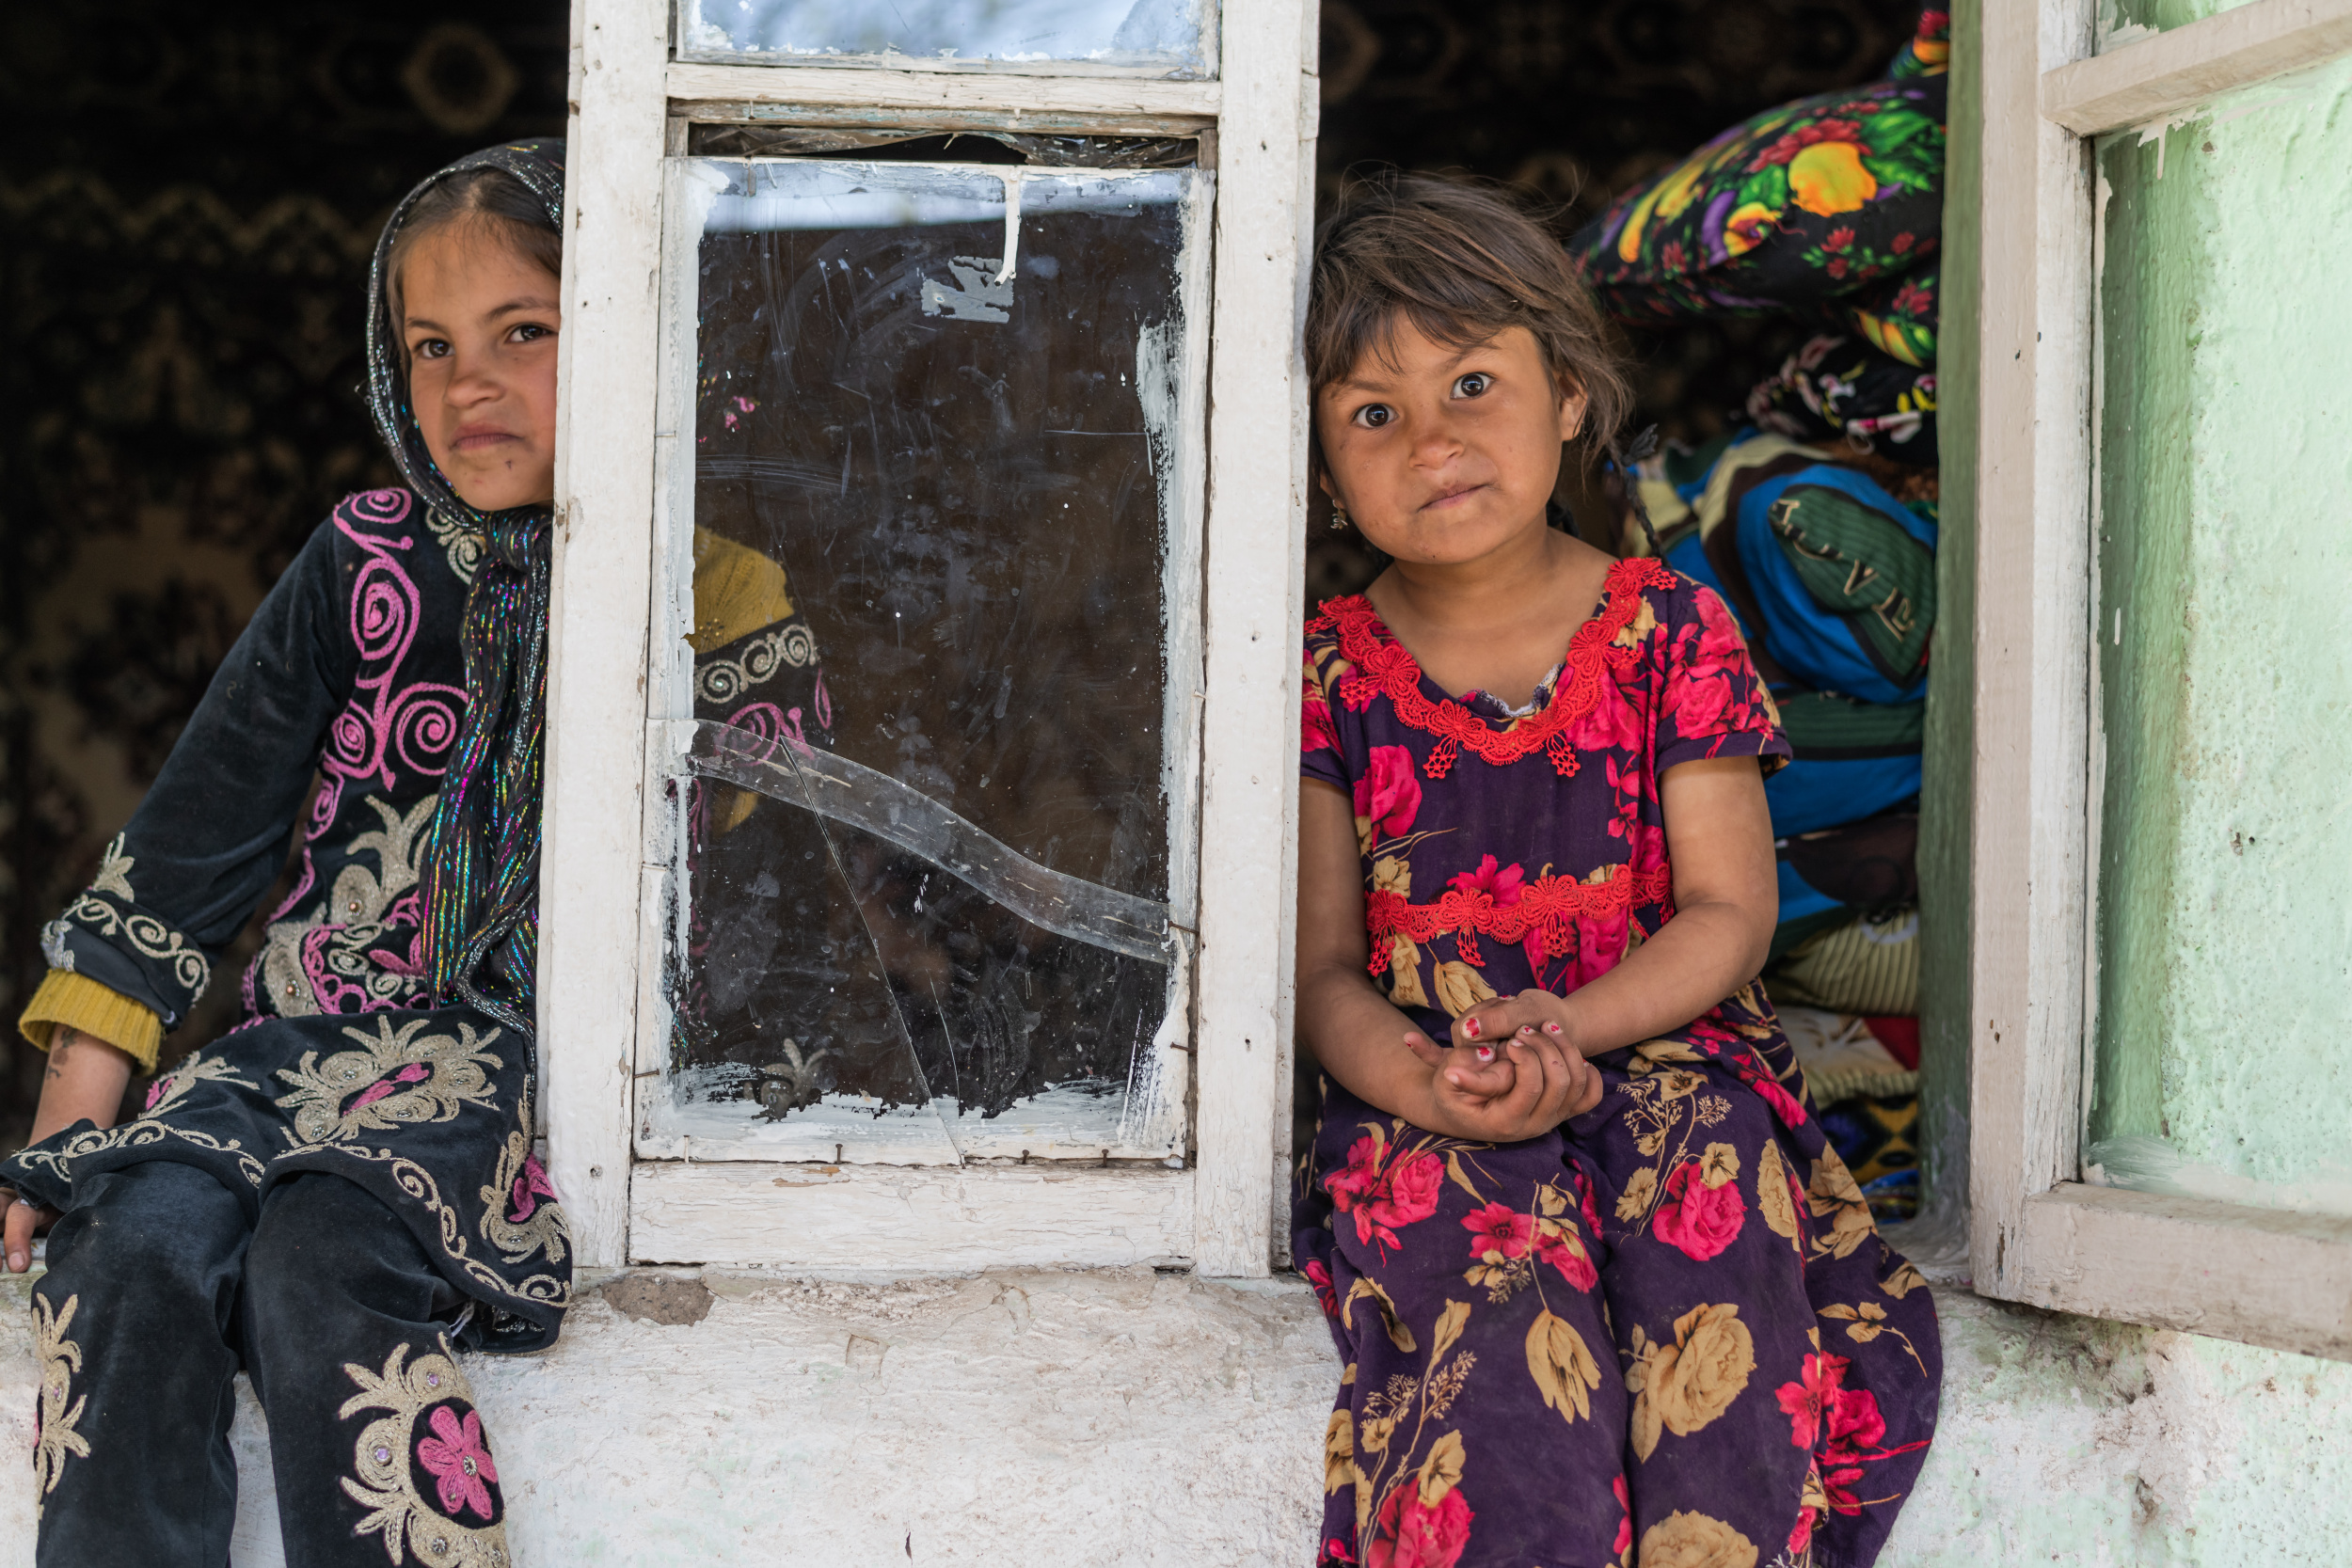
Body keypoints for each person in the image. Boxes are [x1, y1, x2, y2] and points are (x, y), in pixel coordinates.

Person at [1293, 175, 1939, 1568]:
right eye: (1372, 414)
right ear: (1325, 468)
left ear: (1572, 395)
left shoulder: (1672, 629)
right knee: (1492, 1353)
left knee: (1719, 1292)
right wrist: (1426, 1085)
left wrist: (1575, 1027)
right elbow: (1324, 970)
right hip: (1432, 1089)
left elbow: (1730, 914)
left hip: (1668, 1060)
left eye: (1473, 384)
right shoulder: (1323, 671)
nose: (1433, 441)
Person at [4, 141, 576, 1568]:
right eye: (430, 347)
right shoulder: (365, 558)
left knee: (320, 1260)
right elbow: (197, 831)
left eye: (524, 331)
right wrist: (70, 1129)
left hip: (508, 1077)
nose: (469, 385)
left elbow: (770, 890)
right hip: (295, 1054)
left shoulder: (701, 583)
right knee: (127, 1237)